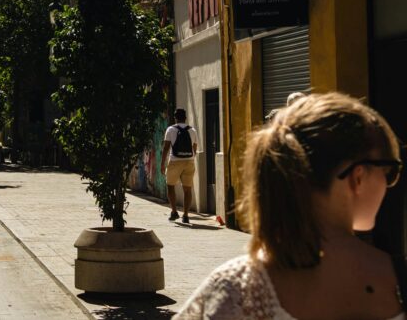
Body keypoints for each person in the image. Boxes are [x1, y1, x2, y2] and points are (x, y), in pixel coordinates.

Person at [175, 92, 404, 320]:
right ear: (358, 177)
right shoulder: (397, 281)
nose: (389, 183)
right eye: (389, 171)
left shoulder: (235, 289)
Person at [161, 108, 199, 224]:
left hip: (175, 161)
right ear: (185, 118)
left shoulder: (170, 129)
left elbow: (166, 148)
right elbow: (195, 148)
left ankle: (174, 212)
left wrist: (162, 163)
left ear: (175, 118)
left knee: (170, 186)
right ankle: (186, 215)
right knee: (187, 189)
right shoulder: (192, 130)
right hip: (189, 161)